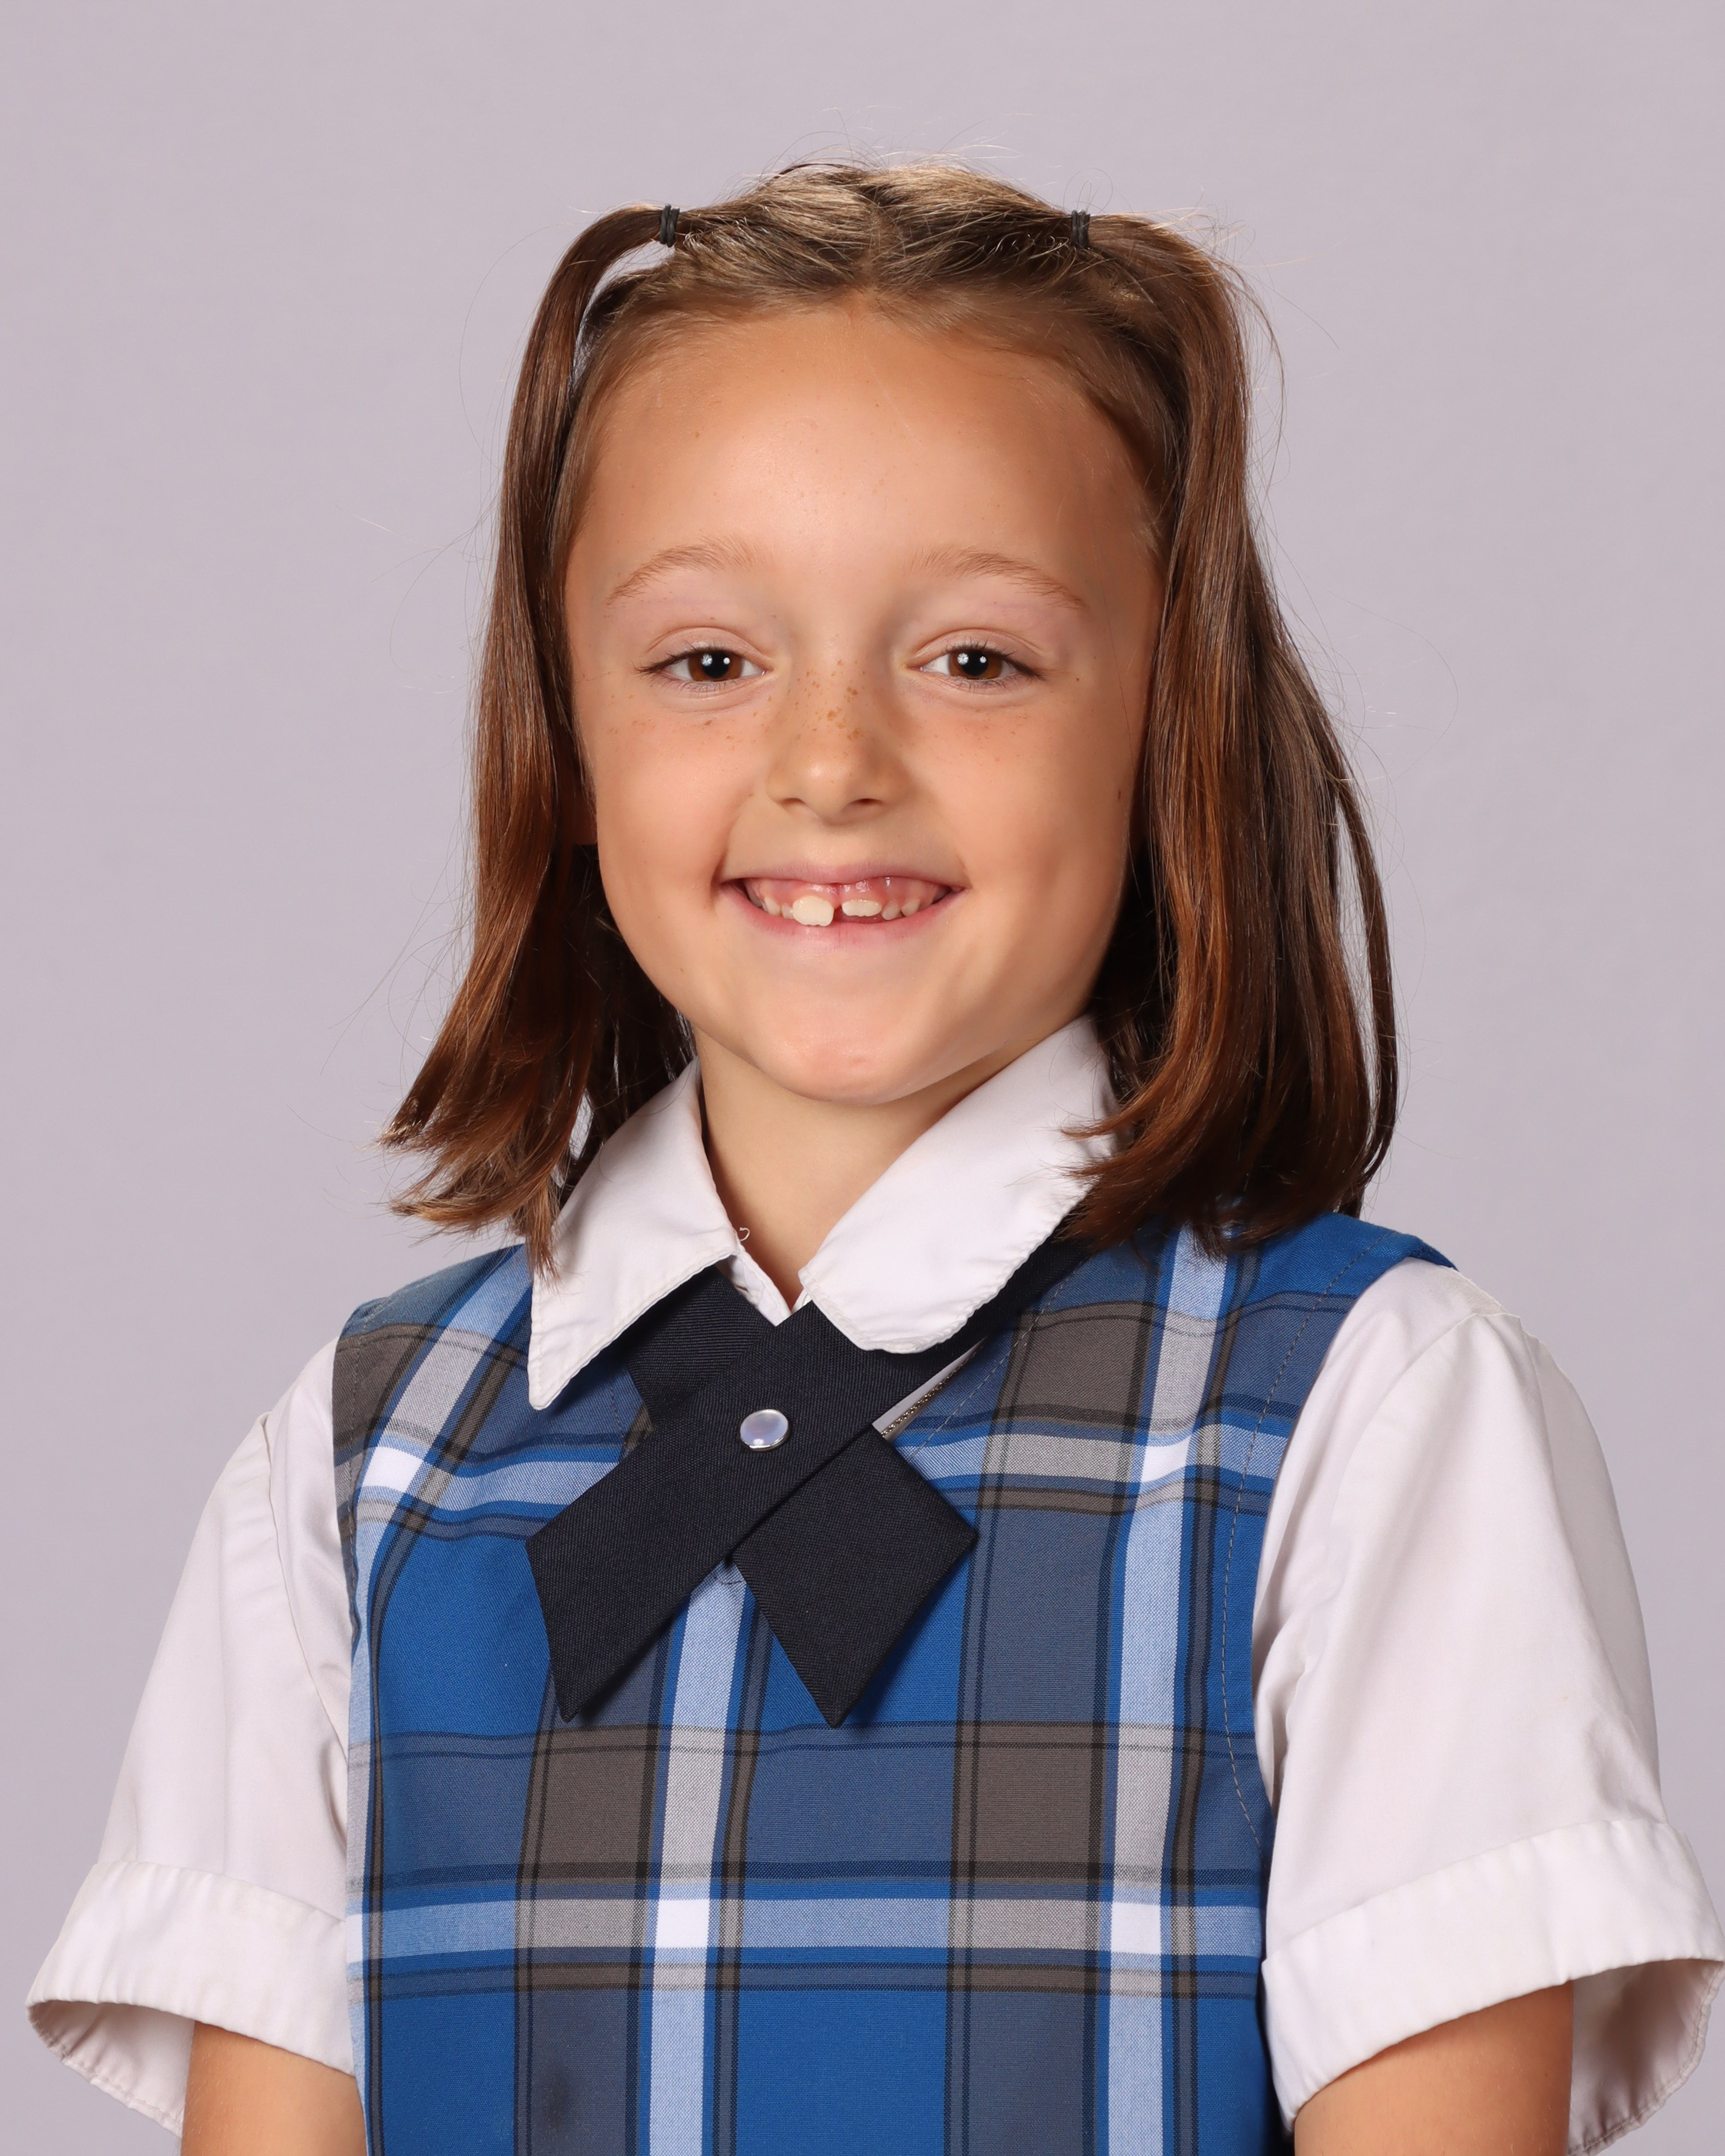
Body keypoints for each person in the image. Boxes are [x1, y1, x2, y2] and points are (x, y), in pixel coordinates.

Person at [28, 162, 1722, 2156]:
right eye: (707, 662)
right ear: (562, 740)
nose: (829, 762)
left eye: (976, 660)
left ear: (1165, 726)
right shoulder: (347, 1474)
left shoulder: (1376, 1417)